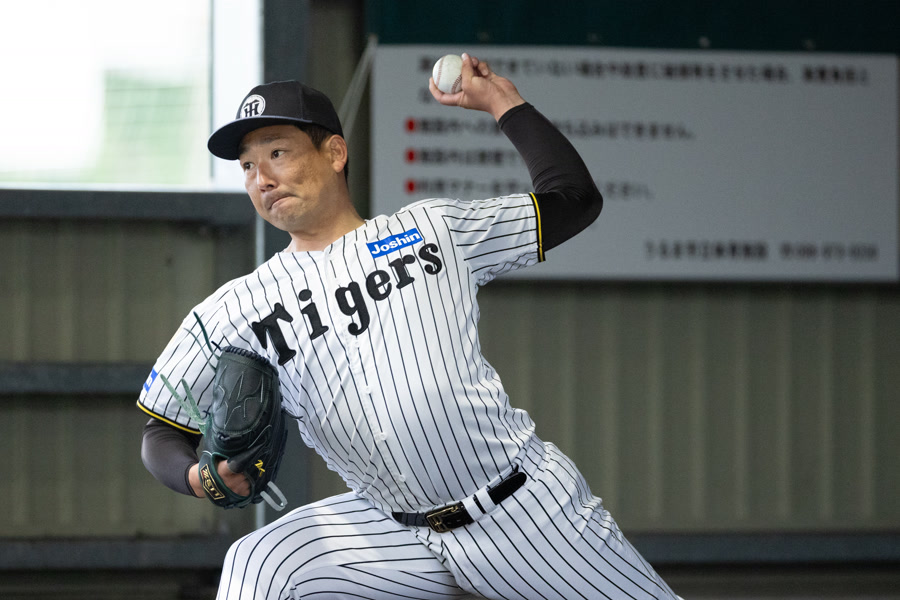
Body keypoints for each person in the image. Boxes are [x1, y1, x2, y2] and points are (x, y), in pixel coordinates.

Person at [139, 53, 680, 600]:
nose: (263, 178)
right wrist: (196, 477)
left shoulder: (431, 230)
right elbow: (161, 432)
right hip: (390, 530)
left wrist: (502, 102)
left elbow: (574, 200)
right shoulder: (235, 308)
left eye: (277, 152)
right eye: (248, 166)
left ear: (334, 152)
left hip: (518, 510)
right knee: (261, 563)